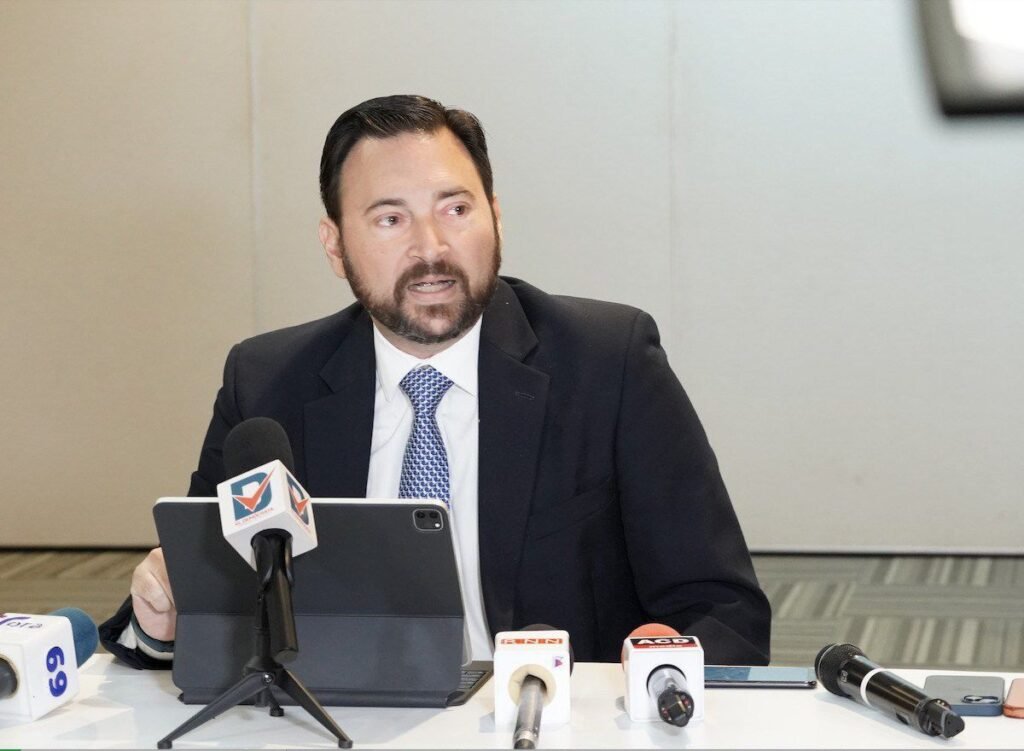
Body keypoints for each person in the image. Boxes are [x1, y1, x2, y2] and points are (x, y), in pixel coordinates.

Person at [100, 94, 771, 668]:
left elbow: (724, 610)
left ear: (496, 216)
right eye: (390, 219)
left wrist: (664, 661)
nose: (431, 248)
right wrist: (160, 625)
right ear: (335, 246)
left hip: (543, 722)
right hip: (340, 725)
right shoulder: (268, 384)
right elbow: (203, 614)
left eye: (455, 209)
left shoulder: (608, 363)